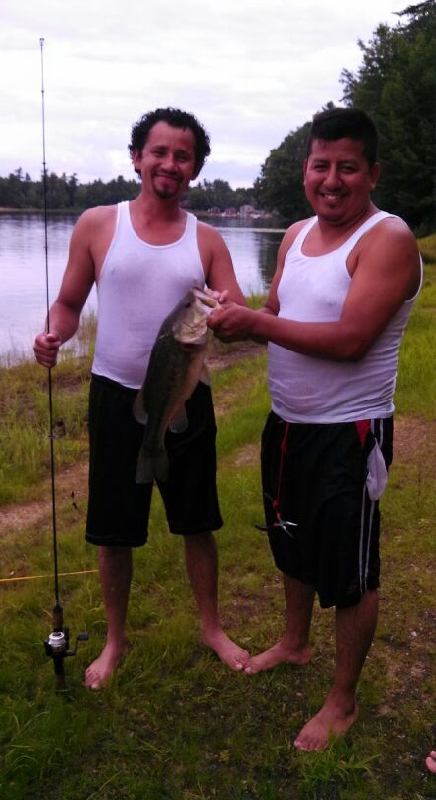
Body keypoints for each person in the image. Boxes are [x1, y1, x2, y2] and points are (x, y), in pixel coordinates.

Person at [208, 107, 422, 751]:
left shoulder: (388, 239)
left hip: (349, 434)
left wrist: (258, 325)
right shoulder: (297, 233)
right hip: (287, 425)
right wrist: (232, 316)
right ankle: (295, 643)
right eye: (320, 166)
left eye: (347, 168)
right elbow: (277, 312)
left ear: (372, 172)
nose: (332, 180)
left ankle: (343, 699)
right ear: (306, 169)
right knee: (292, 541)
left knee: (351, 570)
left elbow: (353, 340)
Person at [34, 107, 250, 689]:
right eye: (159, 152)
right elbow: (69, 304)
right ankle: (114, 639)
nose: (170, 164)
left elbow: (231, 306)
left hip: (185, 395)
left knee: (197, 520)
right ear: (137, 157)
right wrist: (54, 333)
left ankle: (211, 626)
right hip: (114, 396)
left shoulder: (206, 239)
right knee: (114, 528)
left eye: (183, 156)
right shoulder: (98, 225)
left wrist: (229, 313)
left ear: (195, 169)